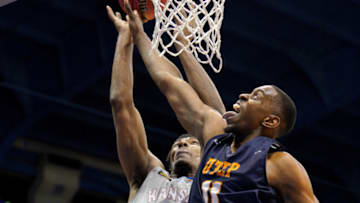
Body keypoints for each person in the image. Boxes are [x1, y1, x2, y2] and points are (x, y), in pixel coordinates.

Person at [124, 2, 319, 202]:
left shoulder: (279, 164)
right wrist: (139, 33)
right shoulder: (215, 140)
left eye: (255, 96)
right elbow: (170, 83)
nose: (243, 95)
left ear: (270, 121)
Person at [106, 4, 224, 202]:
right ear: (169, 158)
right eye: (177, 145)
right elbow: (120, 104)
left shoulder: (218, 178)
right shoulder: (147, 176)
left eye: (192, 142)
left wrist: (182, 44)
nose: (182, 145)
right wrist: (125, 40)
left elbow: (214, 114)